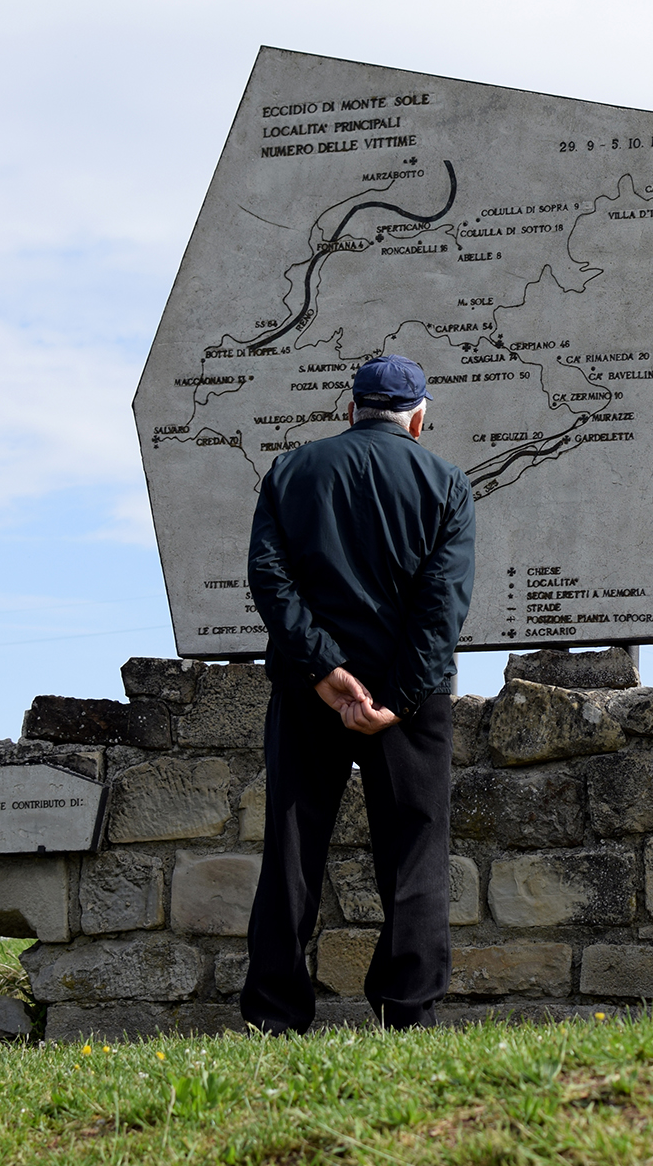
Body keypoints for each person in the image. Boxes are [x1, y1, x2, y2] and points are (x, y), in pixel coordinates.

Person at [241, 353, 476, 1032]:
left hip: (307, 692)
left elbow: (269, 579)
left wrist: (325, 673)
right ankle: (408, 1011)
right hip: (409, 699)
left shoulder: (291, 471)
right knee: (414, 853)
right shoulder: (446, 482)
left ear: (351, 409)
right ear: (418, 419)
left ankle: (275, 1015)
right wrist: (395, 698)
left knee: (291, 850)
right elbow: (443, 605)